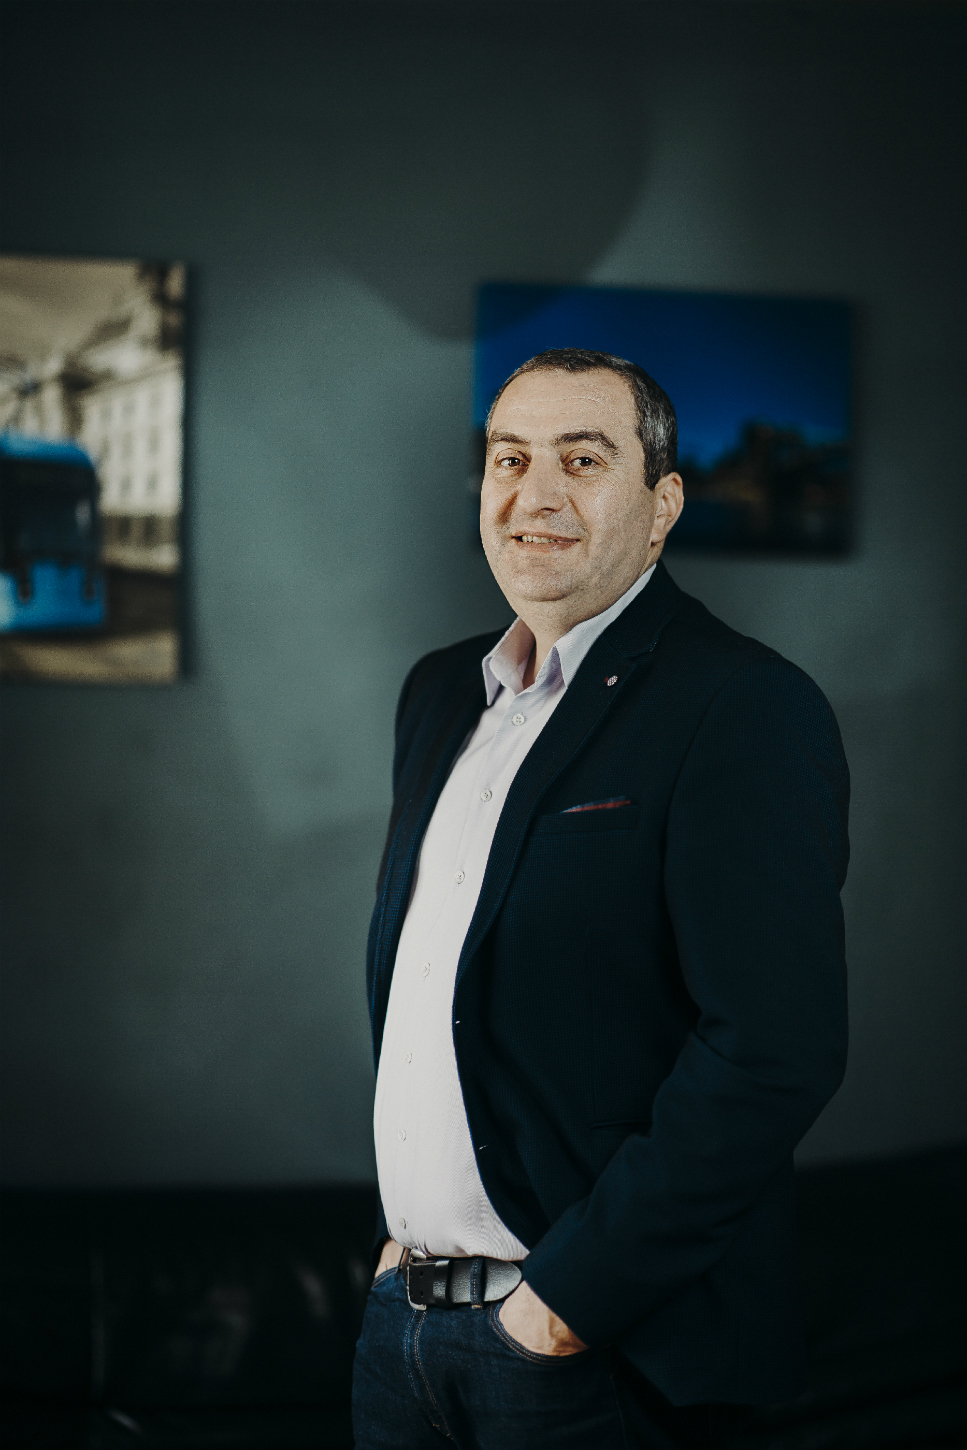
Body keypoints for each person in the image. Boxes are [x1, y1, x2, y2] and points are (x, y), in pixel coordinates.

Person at [352, 349, 849, 1449]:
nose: (534, 494)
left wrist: (563, 1306)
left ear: (662, 504)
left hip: (594, 1351)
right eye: (509, 458)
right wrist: (401, 1256)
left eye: (581, 460)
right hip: (405, 1331)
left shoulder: (742, 704)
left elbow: (774, 1048)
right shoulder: (439, 694)